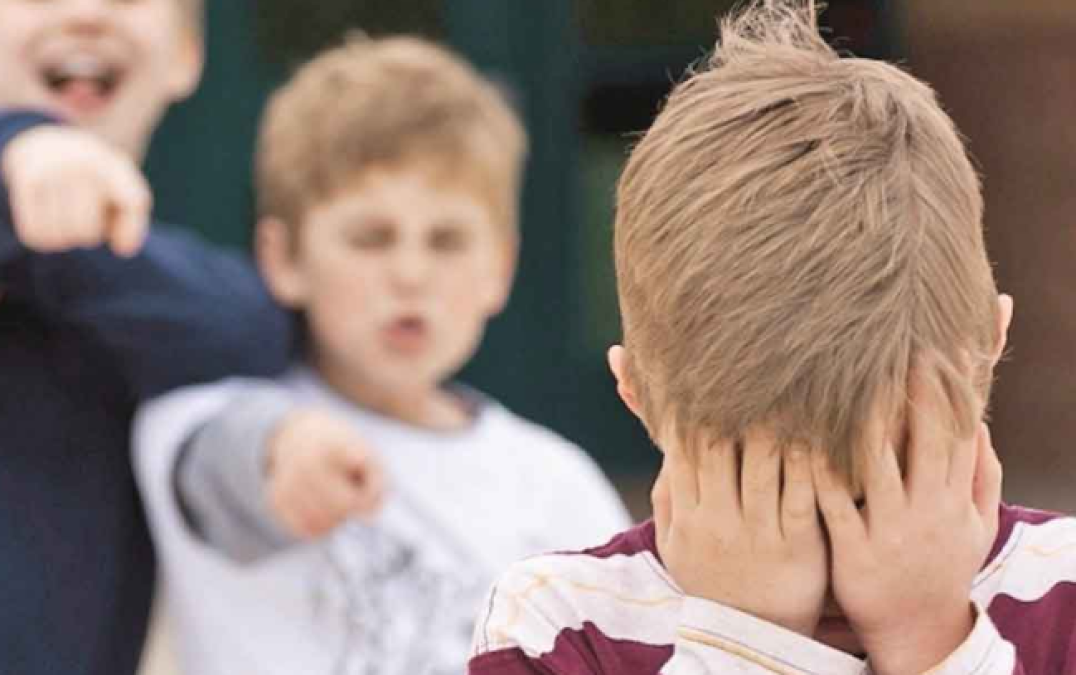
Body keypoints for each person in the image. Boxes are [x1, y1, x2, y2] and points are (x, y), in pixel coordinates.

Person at [467, 2, 1076, 674]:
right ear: (636, 391)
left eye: (882, 484)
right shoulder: (556, 625)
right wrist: (744, 641)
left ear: (987, 349)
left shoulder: (1065, 589)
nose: (840, 559)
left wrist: (930, 637)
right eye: (768, 488)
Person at [133, 36, 631, 675]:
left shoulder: (559, 486)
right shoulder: (202, 413)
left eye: (447, 241)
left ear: (500, 267)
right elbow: (217, 463)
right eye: (371, 238)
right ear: (283, 259)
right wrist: (279, 450)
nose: (410, 274)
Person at [0, 1, 291, 674]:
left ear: (187, 55)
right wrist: (21, 145)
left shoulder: (194, 298)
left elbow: (246, 326)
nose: (85, 11)